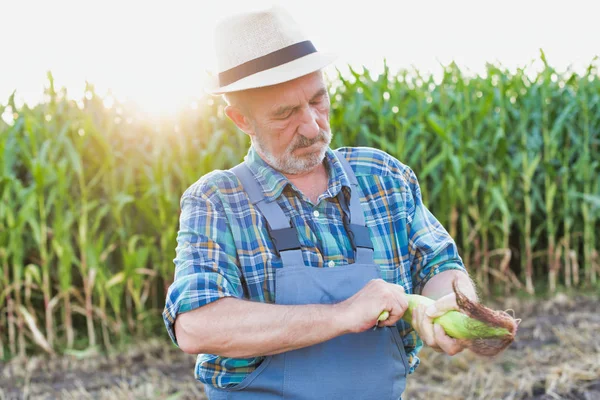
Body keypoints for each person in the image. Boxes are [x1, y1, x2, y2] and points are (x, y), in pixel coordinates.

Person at [163, 5, 478, 399]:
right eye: (285, 114)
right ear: (241, 119)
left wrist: (446, 306)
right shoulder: (216, 202)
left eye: (318, 100)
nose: (312, 126)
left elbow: (440, 265)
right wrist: (343, 315)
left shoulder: (382, 176)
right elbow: (196, 325)